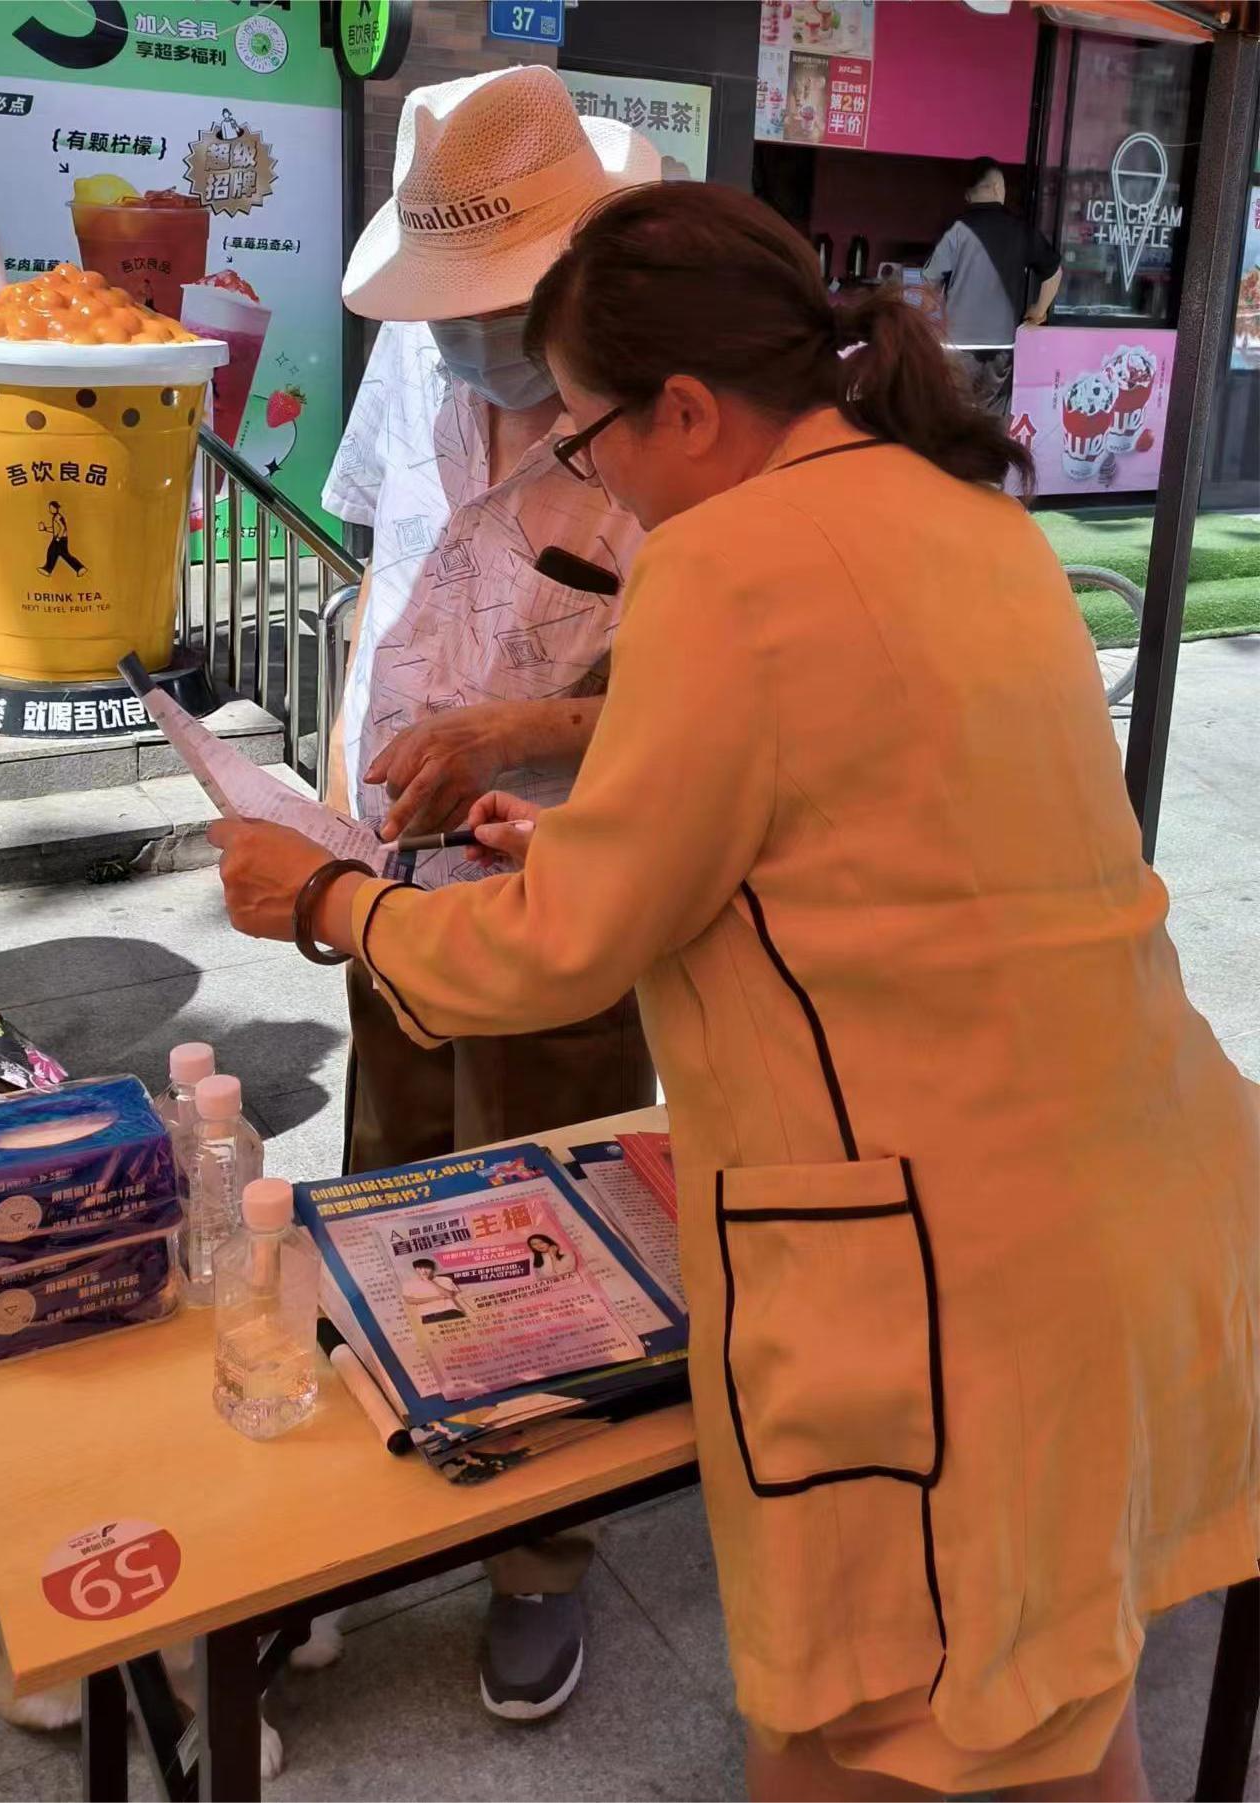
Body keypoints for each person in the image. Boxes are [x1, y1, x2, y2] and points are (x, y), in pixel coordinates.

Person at [210, 183, 1258, 1800]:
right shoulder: (973, 520)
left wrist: (330, 898)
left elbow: (556, 954)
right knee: (1037, 1687)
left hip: (952, 1283)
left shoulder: (723, 562)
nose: (591, 472)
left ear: (686, 410)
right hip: (1143, 1199)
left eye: (587, 436)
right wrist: (588, 840)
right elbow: (871, 846)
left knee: (903, 1723)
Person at [320, 65, 659, 1723]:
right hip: (389, 870)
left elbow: (715, 700)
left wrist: (522, 732)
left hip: (565, 890)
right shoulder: (421, 353)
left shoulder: (662, 423)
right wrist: (348, 765)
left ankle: (540, 1553)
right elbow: (380, 557)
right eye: (444, 307)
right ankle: (383, 1476)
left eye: (493, 310)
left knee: (554, 1213)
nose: (463, 341)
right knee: (389, 1182)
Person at [925, 155, 1062, 410]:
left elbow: (928, 283)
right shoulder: (1019, 230)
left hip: (956, 344)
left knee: (952, 416)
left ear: (968, 195)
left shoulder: (955, 230)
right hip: (1001, 346)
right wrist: (1038, 312)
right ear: (998, 188)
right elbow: (1053, 272)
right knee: (993, 419)